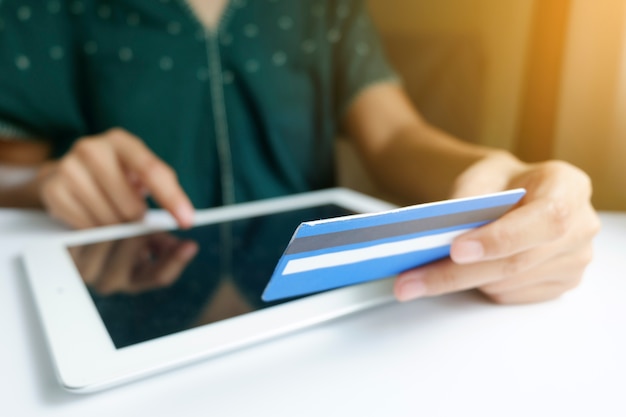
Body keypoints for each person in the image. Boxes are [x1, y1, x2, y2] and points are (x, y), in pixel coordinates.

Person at [0, 0, 600, 305]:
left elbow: (393, 136)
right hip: (124, 299)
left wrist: (500, 174)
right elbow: (13, 162)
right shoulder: (43, 11)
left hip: (318, 308)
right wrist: (45, 178)